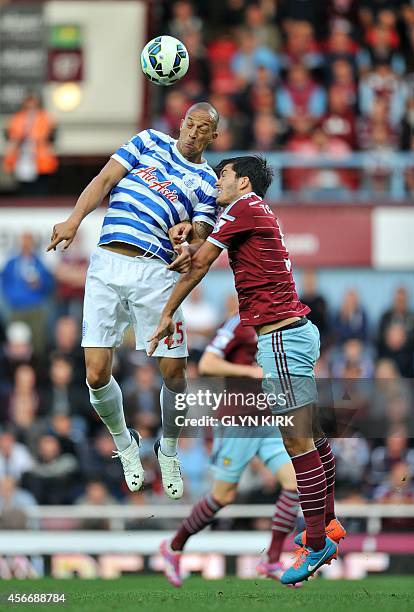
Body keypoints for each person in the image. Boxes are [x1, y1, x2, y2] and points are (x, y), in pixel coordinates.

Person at [149, 155, 346, 585]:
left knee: (299, 444)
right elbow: (198, 255)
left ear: (241, 182)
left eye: (222, 175)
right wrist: (188, 244)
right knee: (310, 437)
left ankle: (315, 544)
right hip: (294, 332)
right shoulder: (252, 212)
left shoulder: (242, 207)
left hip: (279, 338)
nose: (217, 182)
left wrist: (167, 312)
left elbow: (200, 264)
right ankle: (326, 523)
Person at [46, 102, 219, 501]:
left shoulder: (207, 181)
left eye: (202, 128)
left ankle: (169, 448)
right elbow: (105, 179)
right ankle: (126, 444)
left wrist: (187, 242)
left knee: (175, 373)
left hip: (156, 274)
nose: (193, 132)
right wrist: (74, 219)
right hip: (107, 263)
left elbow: (199, 234)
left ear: (213, 137)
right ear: (181, 123)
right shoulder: (147, 141)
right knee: (94, 373)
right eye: (190, 124)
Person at [159, 309, 300, 587]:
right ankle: (174, 546)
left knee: (294, 484)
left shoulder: (283, 320)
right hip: (239, 421)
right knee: (222, 496)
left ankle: (271, 558)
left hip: (269, 418)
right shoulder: (239, 322)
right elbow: (209, 364)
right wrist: (249, 371)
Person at [3, 92, 58, 195]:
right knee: (25, 190)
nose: (31, 105)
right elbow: (11, 137)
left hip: (41, 161)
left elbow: (52, 136)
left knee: (41, 189)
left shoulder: (45, 118)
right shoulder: (17, 118)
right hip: (22, 159)